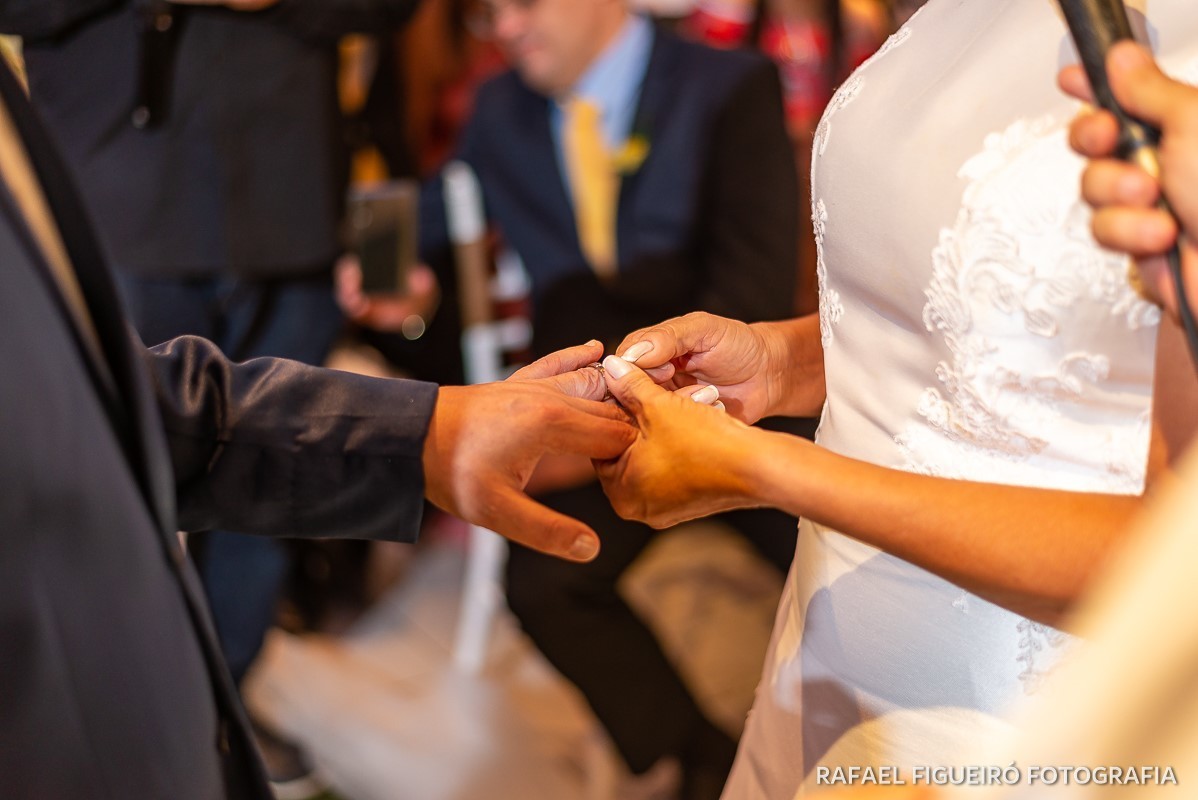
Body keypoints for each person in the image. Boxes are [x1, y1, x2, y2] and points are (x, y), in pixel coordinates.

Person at [589, 1, 1198, 798]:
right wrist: (783, 362)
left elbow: (1167, 558)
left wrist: (764, 471)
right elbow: (995, 329)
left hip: (1015, 721)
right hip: (824, 637)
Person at [0, 52, 639, 798]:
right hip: (154, 238)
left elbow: (137, 414)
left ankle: (240, 683)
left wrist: (427, 430)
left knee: (246, 556)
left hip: (300, 232)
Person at [341, 0, 805, 794]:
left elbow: (751, 290)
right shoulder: (500, 107)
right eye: (490, 13)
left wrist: (625, 412)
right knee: (545, 576)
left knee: (833, 543)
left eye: (523, 4)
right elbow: (429, 249)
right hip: (591, 423)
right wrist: (397, 294)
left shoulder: (729, 85)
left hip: (737, 401)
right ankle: (701, 763)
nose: (505, 28)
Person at [0, 1, 426, 786]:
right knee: (109, 501)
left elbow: (387, 26)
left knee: (271, 500)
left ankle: (227, 704)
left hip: (293, 221)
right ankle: (137, 725)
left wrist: (388, 250)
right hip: (114, 221)